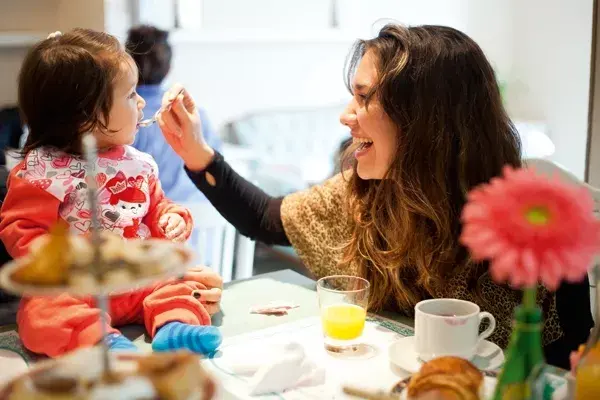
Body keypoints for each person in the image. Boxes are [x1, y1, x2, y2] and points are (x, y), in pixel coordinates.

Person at [157, 24, 593, 369]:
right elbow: (267, 219)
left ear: (425, 120)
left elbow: (565, 367)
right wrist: (197, 154)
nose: (345, 115)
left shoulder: (539, 229)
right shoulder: (365, 194)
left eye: (363, 98)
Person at [0, 29, 222, 358]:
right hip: (76, 288)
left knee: (179, 285)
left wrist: (170, 218)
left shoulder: (140, 164)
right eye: (131, 94)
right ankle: (99, 340)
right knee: (42, 312)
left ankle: (175, 326)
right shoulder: (42, 172)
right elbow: (22, 231)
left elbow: (156, 209)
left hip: (138, 282)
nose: (143, 102)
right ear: (86, 115)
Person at [126, 25, 222, 204]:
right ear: (169, 67)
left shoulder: (124, 120)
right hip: (204, 227)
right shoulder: (197, 116)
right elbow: (218, 173)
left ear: (126, 66)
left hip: (148, 225)